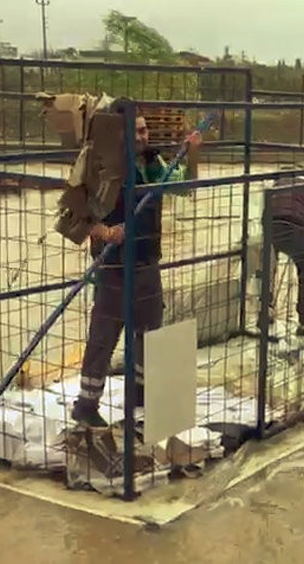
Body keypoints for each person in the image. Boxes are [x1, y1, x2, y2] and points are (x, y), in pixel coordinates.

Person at [72, 101, 202, 428]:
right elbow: (72, 216)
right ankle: (86, 404)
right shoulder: (100, 168)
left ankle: (140, 394)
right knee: (104, 334)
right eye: (136, 132)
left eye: (145, 130)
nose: (144, 137)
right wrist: (105, 232)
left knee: (149, 330)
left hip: (147, 259)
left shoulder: (152, 162)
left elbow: (184, 187)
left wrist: (192, 154)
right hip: (114, 266)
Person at [266, 170, 304, 335]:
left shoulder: (278, 184)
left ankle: (266, 308)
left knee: (268, 268)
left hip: (270, 224)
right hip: (294, 225)